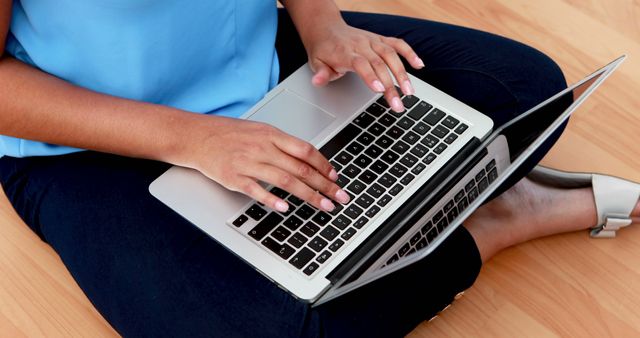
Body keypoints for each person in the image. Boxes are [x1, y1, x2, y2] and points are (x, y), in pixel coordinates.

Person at [0, 0, 638, 337]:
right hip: (87, 143)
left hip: (257, 65)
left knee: (527, 92)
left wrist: (322, 25)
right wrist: (192, 137)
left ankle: (446, 205)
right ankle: (498, 219)